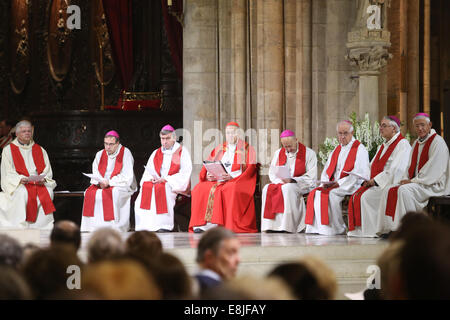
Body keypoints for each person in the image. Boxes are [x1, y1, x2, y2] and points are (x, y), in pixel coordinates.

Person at [377, 113, 450, 235]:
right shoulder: (416, 143)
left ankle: (411, 230)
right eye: (417, 126)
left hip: (434, 184)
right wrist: (406, 178)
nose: (420, 129)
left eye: (423, 125)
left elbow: (434, 169)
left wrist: (412, 181)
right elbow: (409, 166)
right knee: (388, 189)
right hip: (419, 182)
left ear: (430, 125)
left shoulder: (438, 142)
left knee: (404, 191)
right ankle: (389, 229)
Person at [347, 116, 411, 237]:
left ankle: (373, 231)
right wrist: (365, 178)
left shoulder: (403, 144)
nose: (380, 128)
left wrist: (375, 181)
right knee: (357, 195)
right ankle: (362, 230)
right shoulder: (383, 145)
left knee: (366, 197)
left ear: (393, 128)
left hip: (391, 184)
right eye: (380, 125)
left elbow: (397, 170)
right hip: (379, 182)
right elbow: (372, 166)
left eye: (384, 125)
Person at [189, 122, 258, 233]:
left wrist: (231, 177)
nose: (230, 135)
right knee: (199, 188)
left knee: (230, 188)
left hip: (236, 181)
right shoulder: (219, 149)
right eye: (228, 133)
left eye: (233, 133)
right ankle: (202, 225)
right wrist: (209, 175)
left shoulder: (247, 149)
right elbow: (208, 165)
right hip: (218, 180)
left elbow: (250, 170)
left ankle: (223, 225)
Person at [305, 120, 370, 235]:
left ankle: (337, 228)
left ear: (352, 133)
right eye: (340, 133)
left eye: (345, 133)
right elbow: (327, 169)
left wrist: (339, 183)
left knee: (331, 194)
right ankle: (318, 228)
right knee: (316, 192)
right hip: (335, 183)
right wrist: (325, 182)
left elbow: (359, 173)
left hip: (351, 184)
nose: (342, 136)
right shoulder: (337, 149)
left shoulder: (360, 149)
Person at [134, 125, 192, 232]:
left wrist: (166, 179)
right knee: (146, 188)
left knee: (164, 188)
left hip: (173, 184)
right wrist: (151, 179)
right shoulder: (156, 153)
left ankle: (164, 225)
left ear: (174, 138)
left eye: (167, 139)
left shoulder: (182, 152)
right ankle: (146, 226)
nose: (164, 142)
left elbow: (185, 174)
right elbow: (148, 172)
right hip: (158, 182)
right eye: (162, 139)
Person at [0, 120, 56, 229]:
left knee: (48, 191)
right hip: (19, 182)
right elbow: (8, 172)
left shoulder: (40, 149)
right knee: (22, 192)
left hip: (37, 182)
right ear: (16, 134)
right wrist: (20, 179)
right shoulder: (8, 150)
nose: (27, 133)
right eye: (24, 131)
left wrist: (43, 179)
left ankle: (43, 226)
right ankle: (21, 225)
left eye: (29, 131)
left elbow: (47, 170)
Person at [261, 130, 317, 233]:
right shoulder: (278, 153)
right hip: (281, 183)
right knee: (266, 188)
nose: (288, 149)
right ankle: (270, 226)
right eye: (285, 147)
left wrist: (292, 180)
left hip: (300, 184)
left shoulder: (309, 154)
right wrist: (280, 180)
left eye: (290, 146)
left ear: (296, 140)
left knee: (288, 188)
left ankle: (288, 226)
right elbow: (272, 172)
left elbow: (311, 177)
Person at [81, 130, 137, 232]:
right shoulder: (100, 154)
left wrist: (110, 182)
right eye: (106, 144)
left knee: (114, 192)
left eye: (111, 144)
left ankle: (113, 227)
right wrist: (100, 181)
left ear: (118, 143)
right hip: (102, 184)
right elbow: (96, 171)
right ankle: (92, 227)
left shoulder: (126, 153)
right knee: (88, 192)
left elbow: (126, 176)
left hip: (121, 185)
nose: (107, 147)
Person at [194, 226, 241, 295]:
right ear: (209, 257)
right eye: (231, 253)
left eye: (237, 253)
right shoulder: (214, 292)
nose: (238, 260)